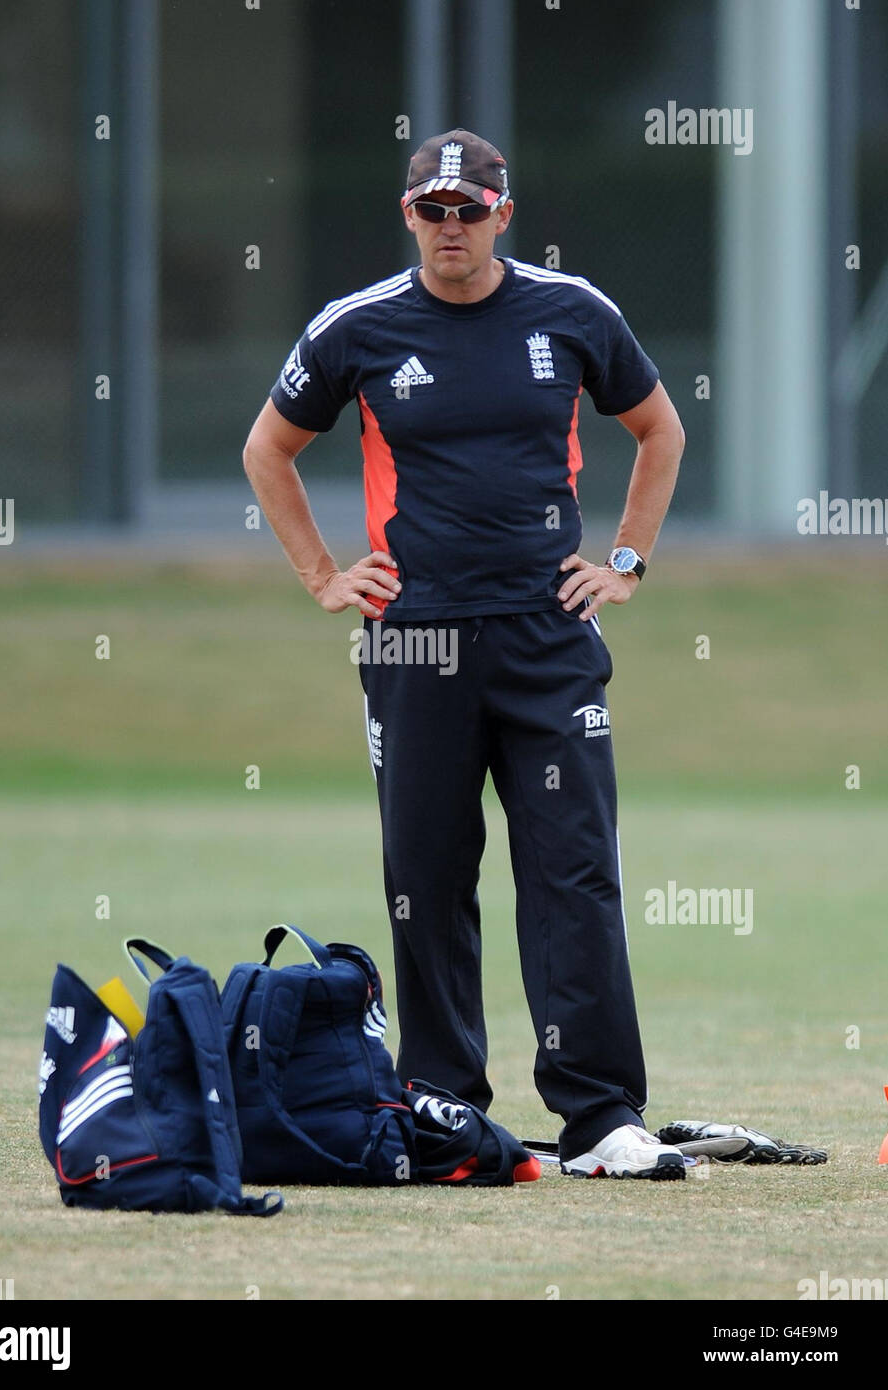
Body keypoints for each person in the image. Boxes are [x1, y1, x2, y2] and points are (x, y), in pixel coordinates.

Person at [243, 129, 687, 1178]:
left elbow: (659, 430)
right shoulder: (358, 327)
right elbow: (271, 446)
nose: (452, 227)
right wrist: (322, 576)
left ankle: (597, 1118)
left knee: (573, 873)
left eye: (470, 210)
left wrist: (623, 560)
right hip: (419, 639)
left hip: (547, 637)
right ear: (409, 215)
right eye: (433, 210)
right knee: (428, 874)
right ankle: (442, 1099)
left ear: (503, 213)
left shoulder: (573, 313)